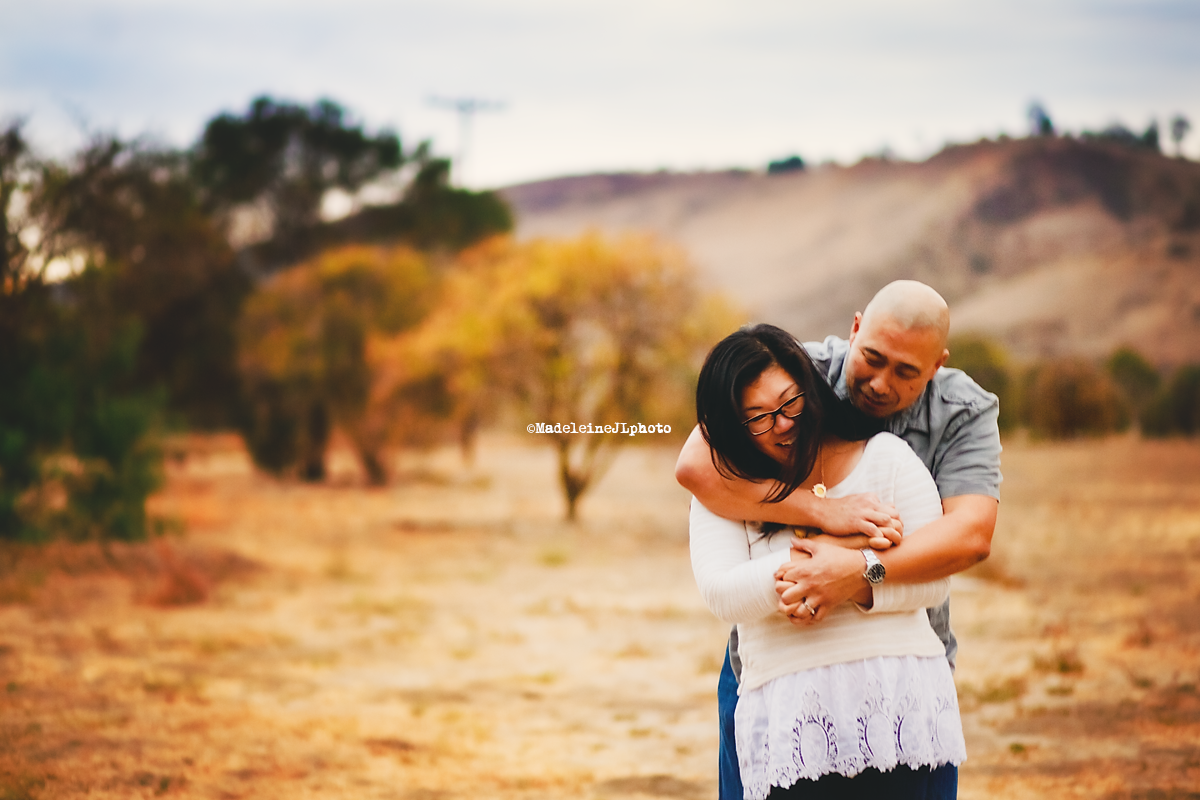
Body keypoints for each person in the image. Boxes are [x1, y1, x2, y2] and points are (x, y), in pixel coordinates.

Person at [676, 281, 1001, 800]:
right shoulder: (789, 369)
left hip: (895, 677)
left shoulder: (953, 416)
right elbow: (694, 467)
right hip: (770, 678)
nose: (877, 382)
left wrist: (856, 570)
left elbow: (969, 536)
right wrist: (826, 516)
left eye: (905, 372)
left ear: (936, 365)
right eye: (870, 357)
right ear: (854, 329)